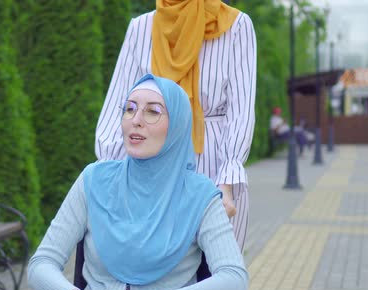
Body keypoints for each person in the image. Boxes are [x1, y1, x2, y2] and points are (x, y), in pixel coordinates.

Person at [28, 75, 248, 290]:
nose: (137, 120)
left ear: (176, 125)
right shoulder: (94, 180)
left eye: (153, 111)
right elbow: (41, 263)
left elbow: (235, 280)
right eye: (130, 109)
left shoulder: (200, 194)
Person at [95, 0, 256, 250]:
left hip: (212, 166)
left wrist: (226, 183)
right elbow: (119, 106)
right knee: (150, 271)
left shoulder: (235, 26)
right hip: (149, 169)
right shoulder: (141, 27)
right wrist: (108, 177)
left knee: (212, 275)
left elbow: (240, 111)